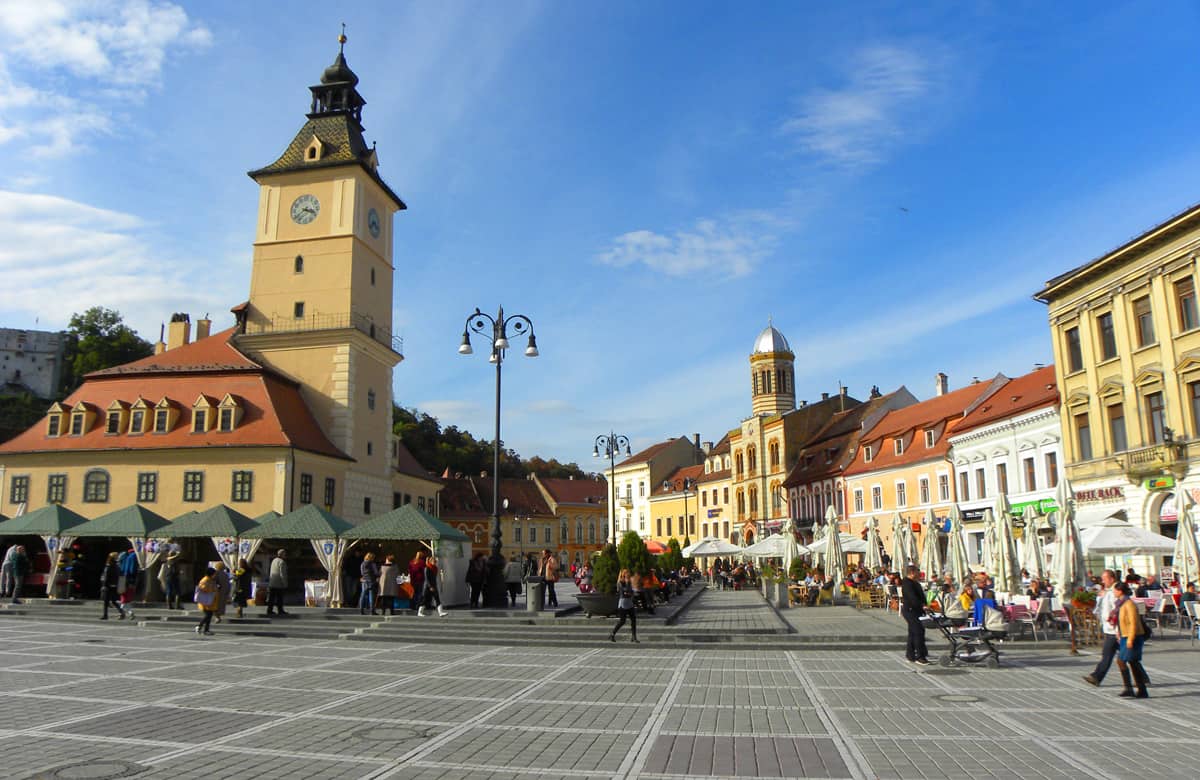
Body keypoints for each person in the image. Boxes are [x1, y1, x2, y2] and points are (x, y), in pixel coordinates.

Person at [1084, 569, 1120, 688]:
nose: (1103, 581)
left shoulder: (1116, 591)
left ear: (1112, 579)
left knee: (1107, 655)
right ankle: (1142, 677)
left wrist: (1117, 629)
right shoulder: (1108, 591)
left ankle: (1096, 677)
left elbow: (1117, 610)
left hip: (1114, 629)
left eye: (1105, 579)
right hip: (1109, 628)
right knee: (1127, 658)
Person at [1113, 581, 1149, 698]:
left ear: (1120, 591)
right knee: (1131, 662)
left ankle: (1138, 689)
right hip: (1125, 635)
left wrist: (1130, 639)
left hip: (1133, 636)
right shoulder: (1121, 603)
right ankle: (1135, 689)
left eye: (1115, 590)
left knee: (1125, 661)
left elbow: (1134, 623)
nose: (1114, 592)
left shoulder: (1129, 604)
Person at [900, 564, 930, 665]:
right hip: (911, 610)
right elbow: (912, 597)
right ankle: (920, 656)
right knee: (918, 632)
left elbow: (920, 596)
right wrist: (922, 605)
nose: (919, 573)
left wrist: (925, 604)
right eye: (917, 572)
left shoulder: (914, 582)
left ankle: (910, 655)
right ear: (912, 573)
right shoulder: (907, 583)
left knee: (913, 632)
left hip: (916, 610)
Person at [609, 568, 639, 643]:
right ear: (622, 574)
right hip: (623, 603)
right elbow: (623, 592)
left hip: (629, 603)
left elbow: (631, 591)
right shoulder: (620, 582)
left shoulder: (629, 582)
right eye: (626, 573)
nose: (627, 574)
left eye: (628, 572)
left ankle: (634, 637)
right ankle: (612, 634)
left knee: (633, 620)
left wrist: (631, 593)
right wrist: (629, 593)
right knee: (622, 621)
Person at [99, 552, 126, 620]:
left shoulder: (109, 566)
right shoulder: (117, 566)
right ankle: (121, 612)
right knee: (113, 600)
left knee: (106, 601)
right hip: (114, 585)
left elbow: (106, 577)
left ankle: (105, 615)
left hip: (108, 585)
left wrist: (104, 585)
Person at [194, 567, 218, 636]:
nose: (215, 575)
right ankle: (199, 626)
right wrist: (212, 589)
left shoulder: (210, 580)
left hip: (209, 601)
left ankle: (206, 630)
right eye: (214, 574)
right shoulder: (205, 580)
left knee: (209, 615)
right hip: (205, 601)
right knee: (208, 615)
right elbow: (203, 588)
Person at [117, 548, 139, 618]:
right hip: (129, 579)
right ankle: (128, 613)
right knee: (127, 598)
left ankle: (123, 613)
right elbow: (132, 570)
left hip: (122, 579)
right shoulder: (133, 557)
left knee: (123, 597)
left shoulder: (125, 558)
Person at [266, 549, 288, 616]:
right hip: (279, 583)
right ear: (282, 554)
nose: (285, 555)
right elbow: (282, 574)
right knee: (279, 598)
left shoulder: (274, 560)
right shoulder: (282, 562)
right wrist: (285, 583)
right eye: (284, 554)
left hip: (272, 582)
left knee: (271, 598)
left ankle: (269, 610)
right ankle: (280, 610)